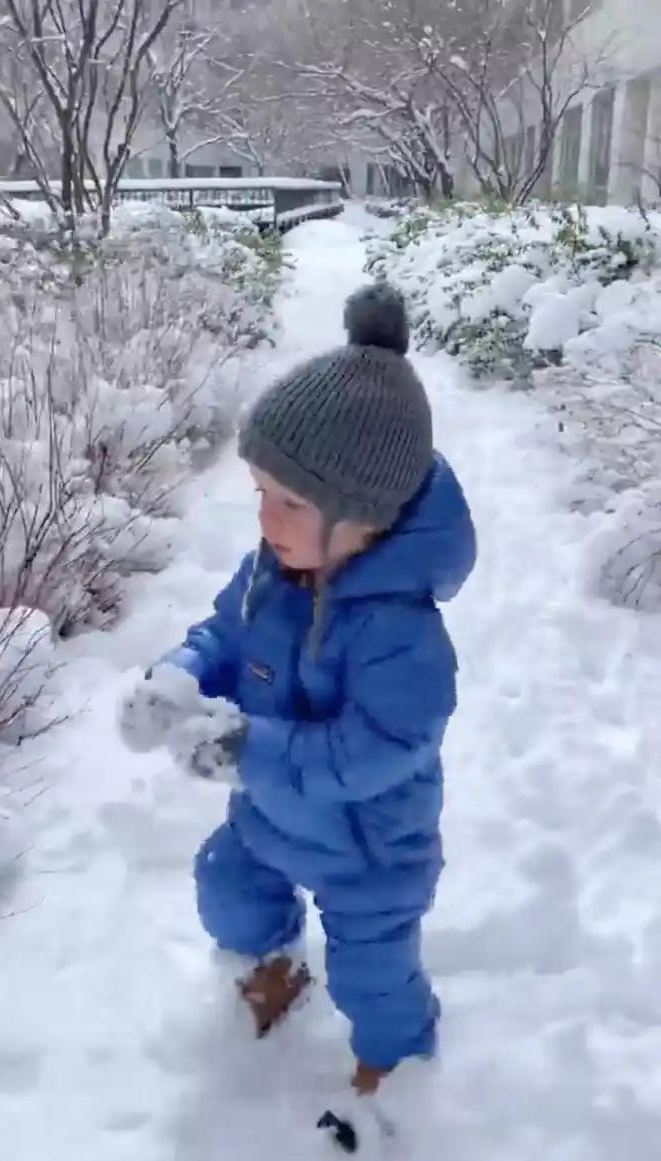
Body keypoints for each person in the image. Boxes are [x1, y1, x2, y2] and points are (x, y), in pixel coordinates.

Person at [119, 280, 477, 1108]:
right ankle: (275, 967)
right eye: (260, 494)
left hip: (368, 850)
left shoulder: (402, 633)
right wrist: (178, 676)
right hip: (272, 815)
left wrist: (253, 749)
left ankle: (398, 1061)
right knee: (228, 886)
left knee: (372, 973)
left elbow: (381, 747)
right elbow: (223, 636)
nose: (266, 518)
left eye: (290, 502)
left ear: (366, 519)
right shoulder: (273, 571)